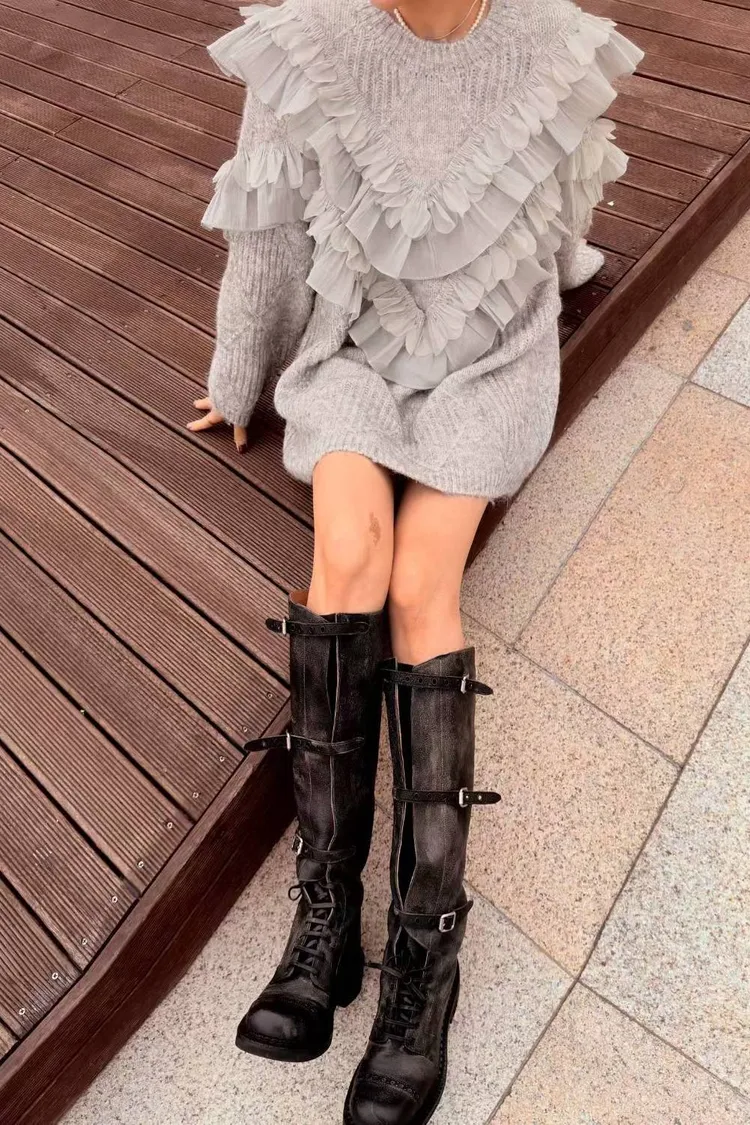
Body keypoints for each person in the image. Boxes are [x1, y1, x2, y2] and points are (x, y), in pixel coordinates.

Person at [191, 1, 642, 1120]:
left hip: (492, 357)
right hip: (351, 347)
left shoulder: (549, 33)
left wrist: (574, 268)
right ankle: (325, 916)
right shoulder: (311, 34)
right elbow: (270, 239)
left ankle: (426, 951)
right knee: (348, 553)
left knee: (422, 584)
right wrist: (239, 379)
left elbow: (554, 198)